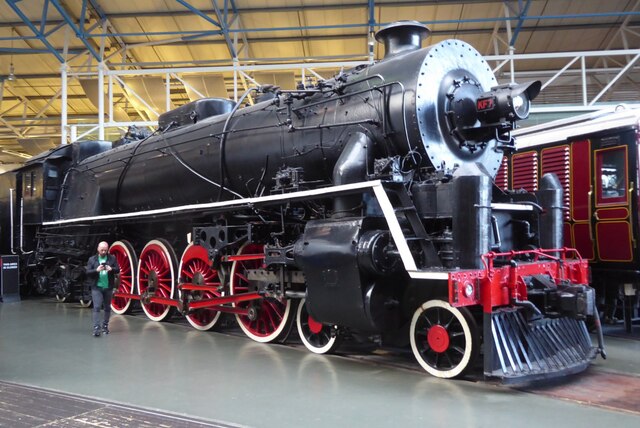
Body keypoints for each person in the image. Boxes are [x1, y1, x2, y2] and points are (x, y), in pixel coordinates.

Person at [85, 241, 120, 337]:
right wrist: (96, 270)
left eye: (105, 250)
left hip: (108, 286)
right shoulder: (92, 259)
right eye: (102, 250)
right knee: (96, 307)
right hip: (97, 287)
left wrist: (111, 269)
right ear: (98, 249)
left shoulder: (112, 258)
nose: (104, 252)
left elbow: (118, 269)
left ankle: (105, 326)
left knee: (107, 307)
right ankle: (96, 328)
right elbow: (87, 272)